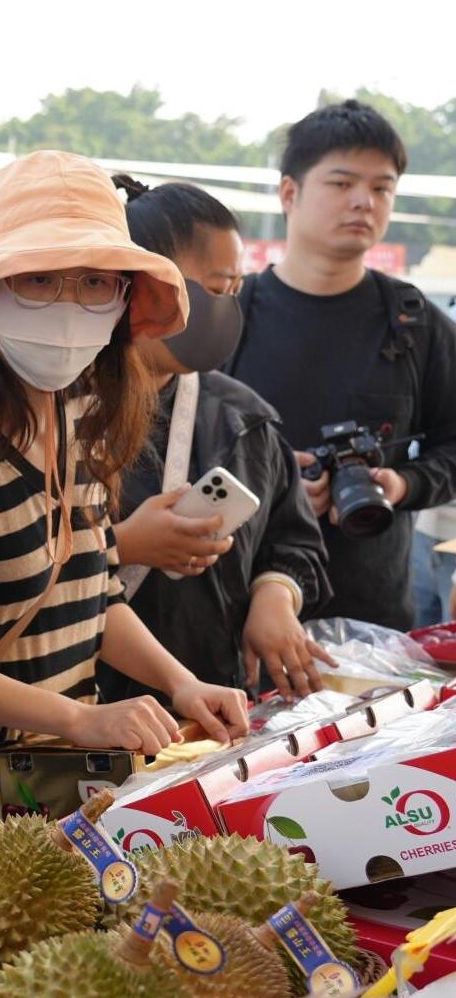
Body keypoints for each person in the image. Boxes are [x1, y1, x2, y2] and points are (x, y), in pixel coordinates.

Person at [0, 152, 250, 897]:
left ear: (123, 299)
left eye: (93, 282)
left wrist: (181, 685)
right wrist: (82, 722)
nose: (68, 304)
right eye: (38, 280)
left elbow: (96, 595)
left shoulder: (79, 412)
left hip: (50, 793)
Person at [99, 178, 333, 703]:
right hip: (80, 714)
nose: (228, 308)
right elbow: (4, 563)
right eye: (216, 288)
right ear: (141, 283)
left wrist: (275, 595)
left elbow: (293, 542)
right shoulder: (64, 413)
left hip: (213, 705)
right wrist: (123, 545)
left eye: (234, 290)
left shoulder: (244, 419)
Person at [226, 100, 456, 631]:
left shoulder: (415, 324)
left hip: (371, 629)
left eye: (382, 188)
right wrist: (273, 484)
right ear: (290, 193)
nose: (364, 202)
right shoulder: (230, 315)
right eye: (342, 183)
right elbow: (173, 449)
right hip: (234, 615)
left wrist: (401, 484)